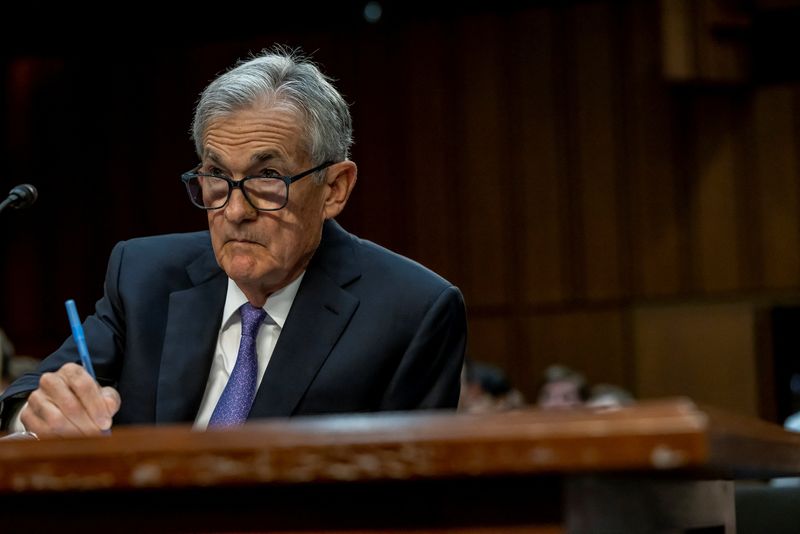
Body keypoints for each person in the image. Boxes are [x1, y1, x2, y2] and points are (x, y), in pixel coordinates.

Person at [0, 47, 467, 437]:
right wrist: (38, 413)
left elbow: (406, 500)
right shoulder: (144, 276)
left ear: (334, 188)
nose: (235, 211)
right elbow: (24, 395)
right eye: (217, 177)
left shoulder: (412, 312)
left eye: (267, 177)